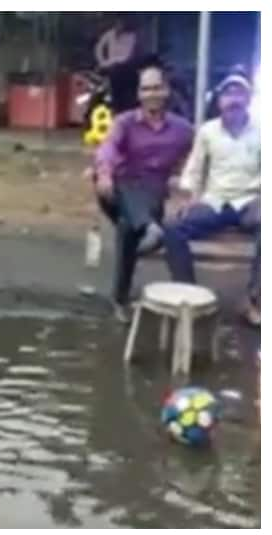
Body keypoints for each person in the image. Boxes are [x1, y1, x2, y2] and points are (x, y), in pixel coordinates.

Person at [93, 61, 194, 322]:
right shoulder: (125, 123)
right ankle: (149, 227)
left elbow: (198, 161)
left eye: (156, 88)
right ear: (139, 94)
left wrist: (184, 187)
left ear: (166, 91)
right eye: (146, 89)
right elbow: (107, 150)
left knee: (128, 229)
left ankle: (119, 299)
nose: (151, 94)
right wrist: (104, 173)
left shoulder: (182, 129)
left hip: (154, 196)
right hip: (117, 193)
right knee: (122, 183)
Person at [162, 73, 261, 326]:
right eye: (229, 94)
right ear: (220, 101)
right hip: (215, 201)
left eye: (239, 94)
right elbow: (194, 169)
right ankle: (188, 296)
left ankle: (255, 300)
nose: (234, 100)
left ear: (248, 99)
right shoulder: (208, 131)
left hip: (250, 200)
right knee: (174, 227)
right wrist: (188, 197)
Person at [94, 15, 139, 113]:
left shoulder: (131, 37)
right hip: (110, 67)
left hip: (124, 67)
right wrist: (102, 62)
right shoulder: (109, 34)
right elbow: (99, 47)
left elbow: (126, 55)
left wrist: (110, 62)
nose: (119, 26)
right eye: (117, 24)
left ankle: (122, 105)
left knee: (121, 75)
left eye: (121, 24)